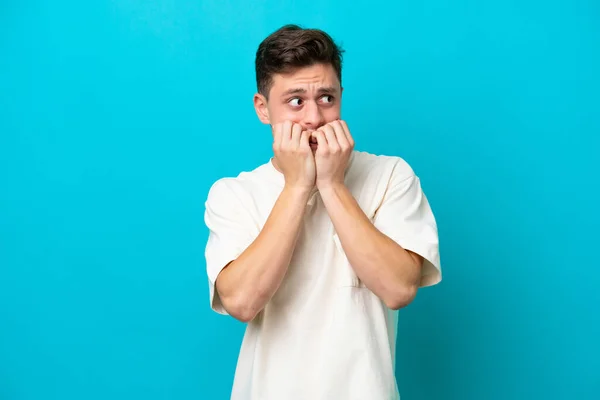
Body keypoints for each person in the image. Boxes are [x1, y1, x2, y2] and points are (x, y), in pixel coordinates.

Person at [203, 24, 442, 400]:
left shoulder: (391, 176)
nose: (314, 118)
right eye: (296, 101)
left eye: (326, 98)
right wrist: (298, 186)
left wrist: (332, 185)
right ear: (263, 109)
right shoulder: (234, 194)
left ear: (341, 97)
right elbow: (241, 302)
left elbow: (399, 289)